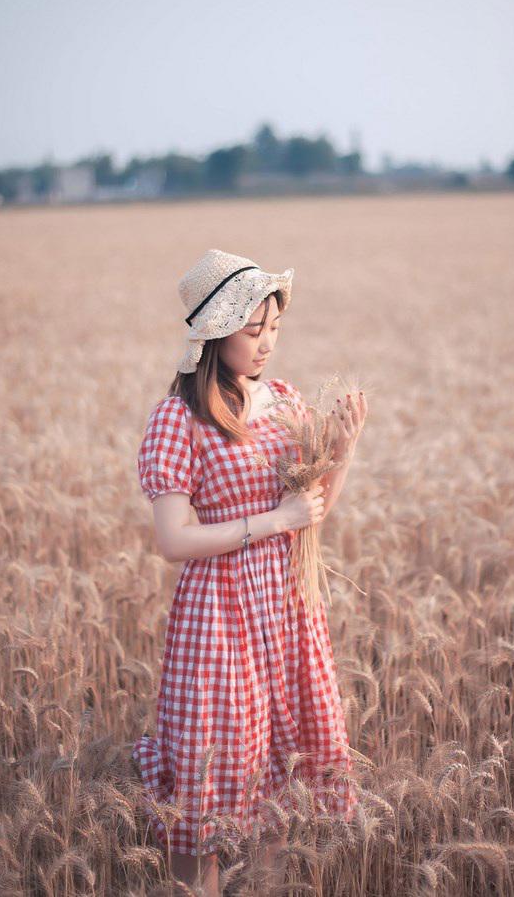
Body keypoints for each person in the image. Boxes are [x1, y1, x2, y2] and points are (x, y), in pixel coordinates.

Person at [131, 248, 366, 894]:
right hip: (221, 621)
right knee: (207, 811)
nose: (267, 344)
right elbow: (172, 539)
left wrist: (341, 450)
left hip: (286, 613)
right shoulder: (178, 418)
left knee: (275, 807)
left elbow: (311, 513)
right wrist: (272, 521)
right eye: (252, 330)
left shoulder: (285, 400)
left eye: (274, 330)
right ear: (214, 333)